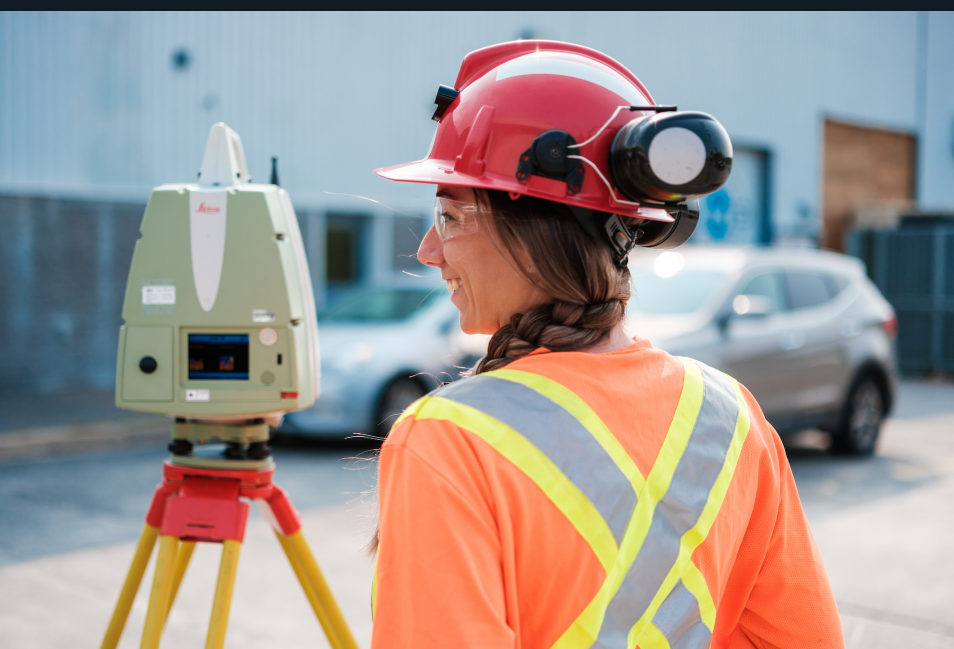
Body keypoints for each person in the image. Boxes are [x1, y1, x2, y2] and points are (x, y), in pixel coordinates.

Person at [369, 40, 844, 649]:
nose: (427, 252)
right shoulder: (729, 414)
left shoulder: (451, 440)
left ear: (538, 228)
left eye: (451, 216)